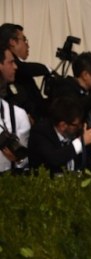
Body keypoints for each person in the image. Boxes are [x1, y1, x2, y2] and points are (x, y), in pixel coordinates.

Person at [28, 96, 91, 174]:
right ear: (63, 125)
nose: (80, 127)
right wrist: (81, 142)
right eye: (77, 125)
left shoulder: (75, 133)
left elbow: (86, 167)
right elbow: (54, 159)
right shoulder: (40, 133)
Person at [0, 23, 50, 120]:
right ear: (12, 42)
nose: (27, 45)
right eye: (24, 40)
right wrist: (48, 69)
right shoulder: (20, 70)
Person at [0, 44, 30, 174]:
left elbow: (25, 159)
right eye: (11, 62)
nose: (16, 66)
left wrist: (18, 159)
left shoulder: (18, 114)